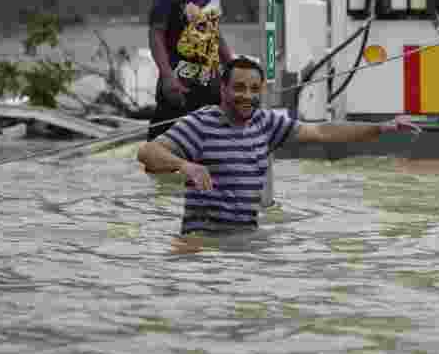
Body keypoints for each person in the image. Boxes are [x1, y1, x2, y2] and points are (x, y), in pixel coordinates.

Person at [137, 56, 422, 235]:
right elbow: (148, 153)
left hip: (244, 238)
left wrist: (382, 127)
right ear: (223, 90)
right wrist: (185, 165)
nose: (246, 96)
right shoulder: (202, 124)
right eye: (238, 88)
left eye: (253, 89)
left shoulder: (265, 123)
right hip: (202, 244)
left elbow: (323, 131)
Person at [147, 0, 234, 140]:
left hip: (210, 87)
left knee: (211, 150)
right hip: (180, 88)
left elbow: (214, 32)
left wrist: (232, 67)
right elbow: (156, 34)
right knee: (160, 151)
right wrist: (167, 77)